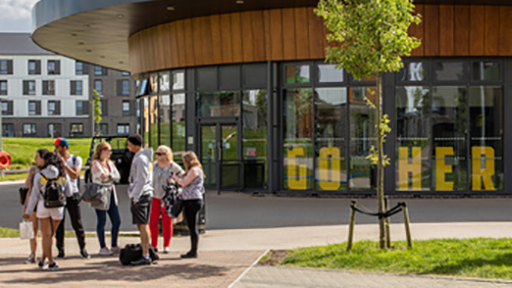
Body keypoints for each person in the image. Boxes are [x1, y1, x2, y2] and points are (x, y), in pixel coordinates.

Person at [23, 149, 72, 271]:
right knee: (50, 235)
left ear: (45, 160)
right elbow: (69, 192)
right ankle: (49, 261)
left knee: (46, 236)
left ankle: (46, 260)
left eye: (37, 157)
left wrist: (28, 212)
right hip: (58, 208)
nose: (35, 160)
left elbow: (34, 196)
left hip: (43, 207)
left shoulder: (40, 175)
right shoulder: (62, 174)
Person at [53, 137, 90, 259]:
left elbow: (74, 175)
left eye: (57, 147)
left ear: (65, 148)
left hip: (73, 194)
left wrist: (64, 165)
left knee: (77, 223)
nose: (55, 149)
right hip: (59, 194)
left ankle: (83, 248)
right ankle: (60, 250)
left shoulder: (75, 159)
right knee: (59, 224)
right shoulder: (54, 160)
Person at [150, 146, 185, 253]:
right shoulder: (153, 166)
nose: (157, 156)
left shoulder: (173, 167)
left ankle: (166, 245)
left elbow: (183, 178)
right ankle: (154, 245)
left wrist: (175, 181)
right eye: (156, 153)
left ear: (166, 155)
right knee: (153, 221)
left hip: (168, 198)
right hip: (155, 196)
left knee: (167, 221)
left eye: (160, 154)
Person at [126, 134, 154, 265]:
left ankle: (146, 255)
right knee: (143, 224)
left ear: (136, 145)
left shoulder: (141, 159)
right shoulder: (143, 157)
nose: (127, 147)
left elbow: (141, 179)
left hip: (141, 195)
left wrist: (135, 196)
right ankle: (147, 251)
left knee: (142, 225)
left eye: (129, 144)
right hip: (144, 193)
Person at [90, 142, 122, 256]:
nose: (110, 153)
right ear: (102, 151)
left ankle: (114, 244)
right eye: (108, 150)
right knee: (102, 221)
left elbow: (117, 176)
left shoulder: (110, 163)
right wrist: (109, 176)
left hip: (111, 193)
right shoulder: (95, 163)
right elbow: (101, 176)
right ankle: (102, 246)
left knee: (117, 220)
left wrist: (109, 175)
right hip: (101, 194)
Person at [172, 151, 204, 259]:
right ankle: (193, 250)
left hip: (192, 200)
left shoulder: (194, 170)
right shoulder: (196, 169)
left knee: (192, 226)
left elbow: (184, 183)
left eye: (184, 161)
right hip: (191, 199)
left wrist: (175, 178)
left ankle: (193, 251)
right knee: (191, 225)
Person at [22, 165, 40, 264]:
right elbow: (27, 187)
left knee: (48, 232)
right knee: (33, 230)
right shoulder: (34, 169)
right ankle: (33, 253)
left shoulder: (49, 170)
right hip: (33, 203)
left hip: (45, 203)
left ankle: (47, 254)